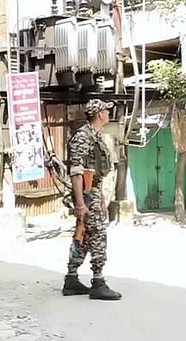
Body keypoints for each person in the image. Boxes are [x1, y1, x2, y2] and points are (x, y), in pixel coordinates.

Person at [62, 99, 122, 301]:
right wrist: (80, 203)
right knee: (97, 234)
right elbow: (76, 172)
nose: (108, 112)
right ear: (98, 113)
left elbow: (95, 172)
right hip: (86, 193)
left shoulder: (95, 136)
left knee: (84, 235)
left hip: (92, 191)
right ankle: (98, 281)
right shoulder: (83, 137)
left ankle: (71, 279)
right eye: (105, 110)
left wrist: (102, 197)